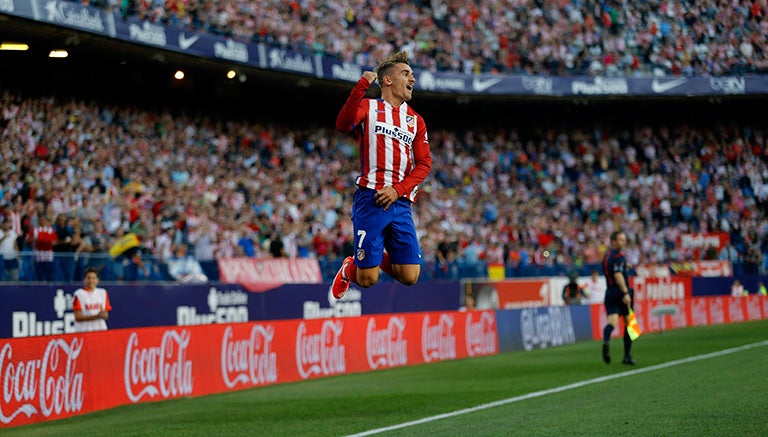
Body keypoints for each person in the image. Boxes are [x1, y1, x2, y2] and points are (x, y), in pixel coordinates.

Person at [331, 50, 432, 298]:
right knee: (367, 279)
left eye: (412, 74)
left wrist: (398, 190)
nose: (413, 80)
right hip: (371, 199)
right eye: (406, 74)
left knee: (410, 276)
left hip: (400, 202)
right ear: (387, 80)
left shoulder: (415, 121)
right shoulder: (369, 107)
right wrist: (361, 86)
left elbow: (425, 163)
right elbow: (343, 125)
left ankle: (373, 257)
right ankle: (349, 268)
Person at [601, 230, 636, 365]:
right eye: (621, 240)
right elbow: (617, 274)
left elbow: (611, 269)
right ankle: (627, 356)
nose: (624, 242)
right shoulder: (619, 257)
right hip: (620, 293)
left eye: (624, 239)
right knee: (629, 324)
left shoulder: (607, 256)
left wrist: (625, 265)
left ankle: (606, 341)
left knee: (612, 323)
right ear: (613, 241)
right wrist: (626, 293)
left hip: (609, 292)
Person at [72, 267, 112, 332]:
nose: (91, 280)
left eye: (93, 278)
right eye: (88, 278)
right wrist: (97, 316)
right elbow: (78, 317)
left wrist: (103, 315)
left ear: (97, 280)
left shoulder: (103, 293)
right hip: (84, 331)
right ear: (84, 280)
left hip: (100, 330)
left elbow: (106, 315)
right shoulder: (79, 294)